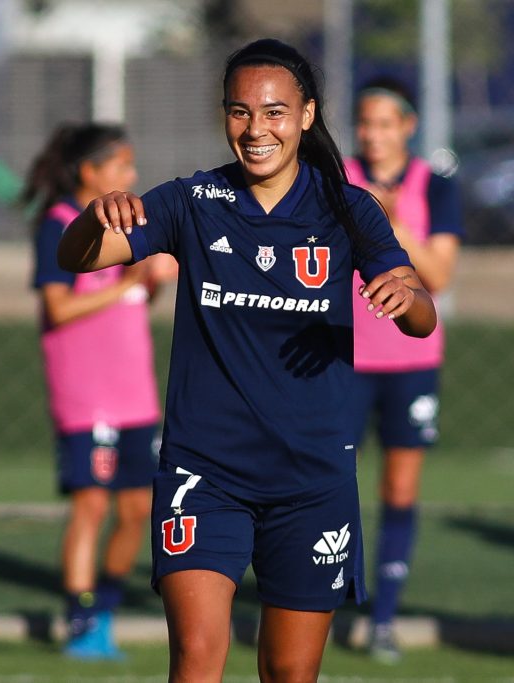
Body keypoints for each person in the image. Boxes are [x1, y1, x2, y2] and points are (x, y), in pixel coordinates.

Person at [56, 39, 437, 682]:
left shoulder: (346, 207)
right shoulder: (190, 201)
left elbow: (422, 319)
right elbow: (77, 259)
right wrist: (93, 219)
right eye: (240, 112)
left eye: (274, 112)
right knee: (199, 656)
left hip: (312, 476)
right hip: (205, 470)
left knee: (289, 671)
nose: (256, 129)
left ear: (307, 115)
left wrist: (409, 298)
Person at [23, 123, 169, 660]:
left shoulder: (129, 229)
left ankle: (103, 611)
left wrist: (146, 283)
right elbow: (59, 308)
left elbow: (125, 302)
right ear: (90, 172)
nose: (131, 176)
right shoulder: (60, 224)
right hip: (89, 398)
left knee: (137, 510)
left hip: (136, 396)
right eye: (121, 166)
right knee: (91, 505)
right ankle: (79, 618)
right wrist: (129, 285)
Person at [346, 76, 463, 663]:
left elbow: (437, 275)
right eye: (365, 123)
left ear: (407, 128)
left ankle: (383, 616)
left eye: (386, 124)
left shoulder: (434, 186)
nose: (373, 135)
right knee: (326, 479)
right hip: (342, 356)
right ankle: (320, 595)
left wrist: (392, 223)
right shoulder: (335, 177)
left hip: (409, 362)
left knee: (399, 485)